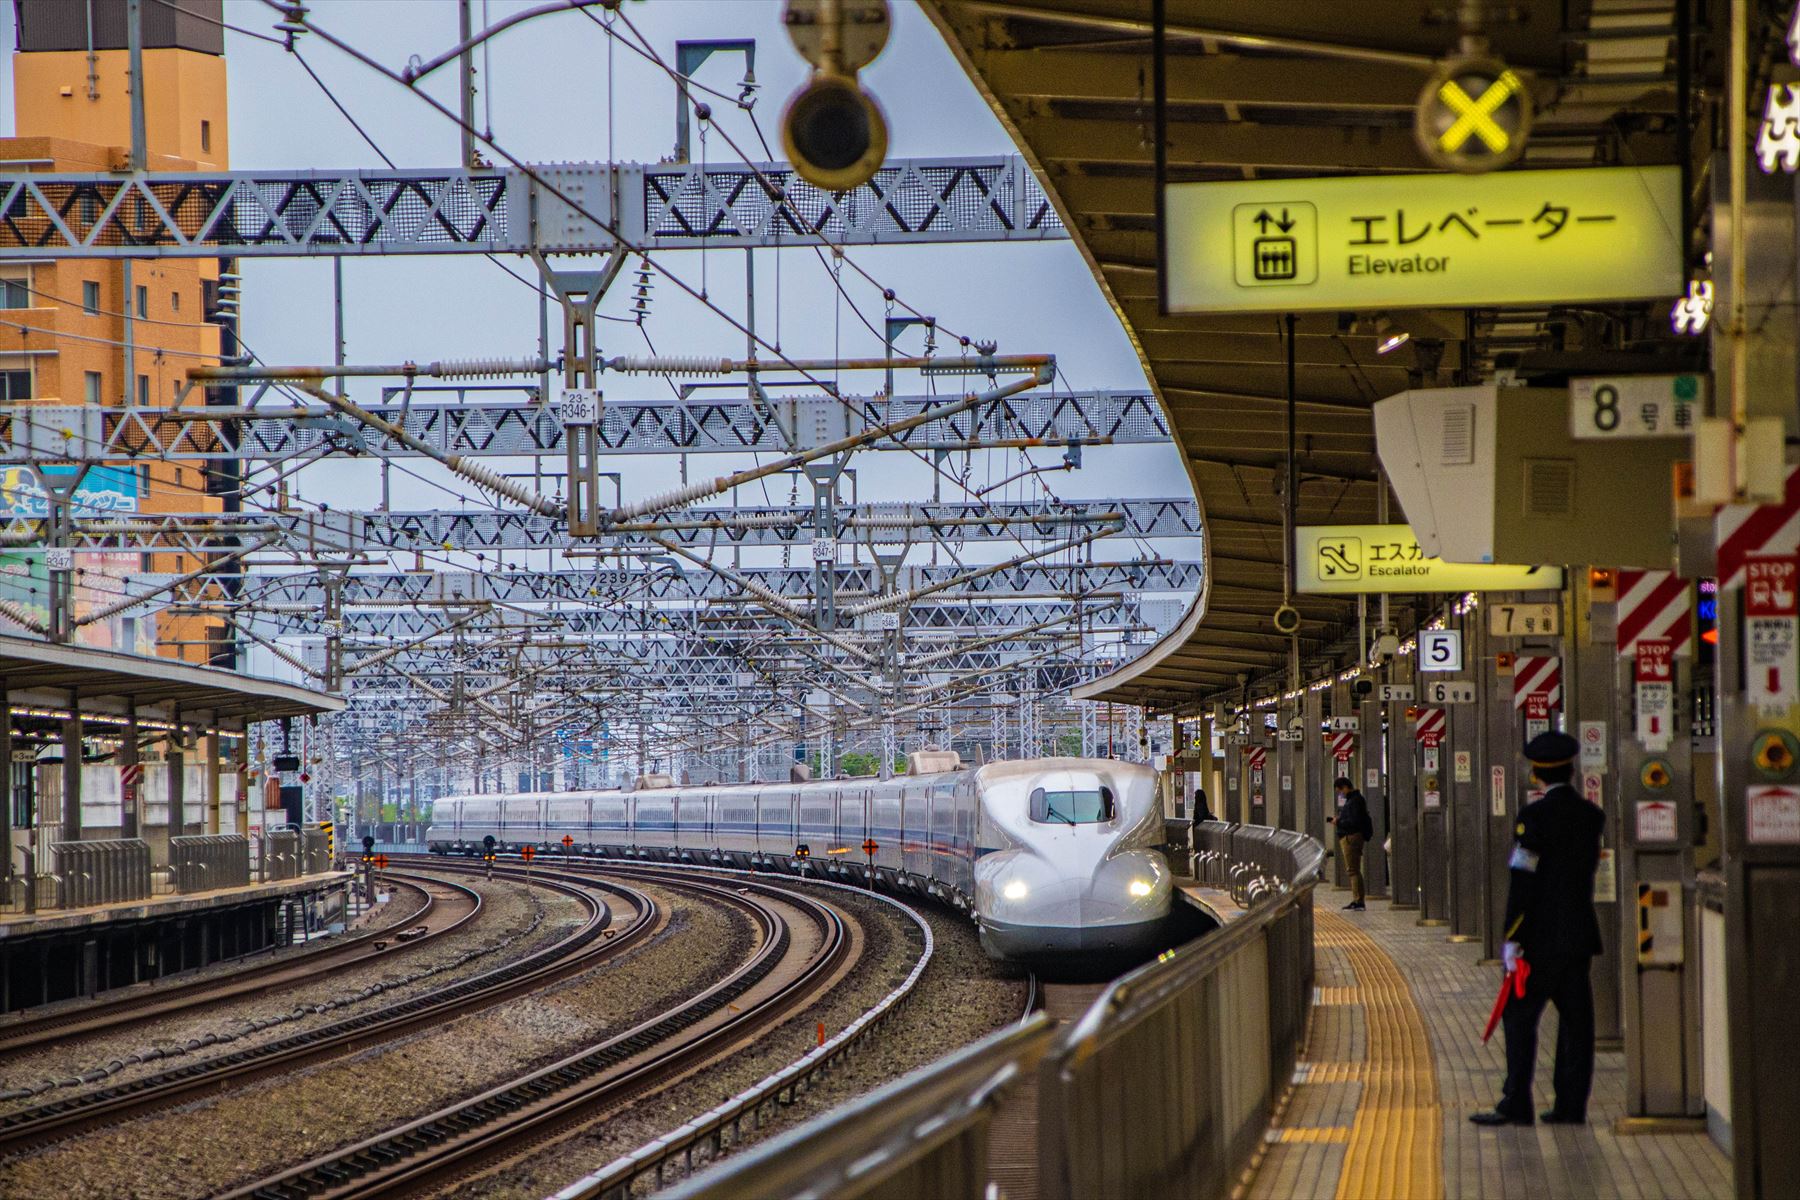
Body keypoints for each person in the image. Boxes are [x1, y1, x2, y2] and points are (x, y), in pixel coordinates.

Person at [1470, 730, 1606, 1128]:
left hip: (1539, 941)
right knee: (1577, 1024)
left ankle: (1517, 1103)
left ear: (1537, 773)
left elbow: (1524, 881)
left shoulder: (1533, 818)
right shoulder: (1590, 817)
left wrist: (1512, 937)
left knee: (1519, 1019)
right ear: (1571, 769)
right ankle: (1571, 1105)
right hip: (1579, 935)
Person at [1328, 776, 1373, 910]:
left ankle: (1359, 901)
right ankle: (1357, 899)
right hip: (1351, 836)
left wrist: (1338, 822)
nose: (1341, 794)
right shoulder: (1354, 800)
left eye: (1340, 791)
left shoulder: (1355, 801)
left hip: (1351, 837)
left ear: (1346, 787)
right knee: (1353, 870)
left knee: (1353, 870)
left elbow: (1353, 822)